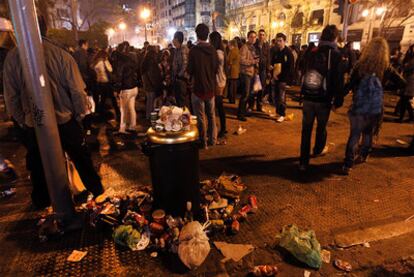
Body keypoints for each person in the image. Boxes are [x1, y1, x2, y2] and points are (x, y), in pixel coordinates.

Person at [3, 18, 104, 209]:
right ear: (45, 28)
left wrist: (23, 120)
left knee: (38, 165)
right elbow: (77, 91)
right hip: (65, 120)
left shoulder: (13, 58)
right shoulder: (61, 55)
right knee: (82, 160)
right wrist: (79, 115)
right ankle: (98, 193)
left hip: (34, 123)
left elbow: (11, 98)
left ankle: (42, 204)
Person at [342, 37, 406, 174]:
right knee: (368, 133)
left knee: (354, 134)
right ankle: (363, 155)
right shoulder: (386, 67)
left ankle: (348, 164)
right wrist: (383, 86)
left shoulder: (361, 64)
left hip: (359, 106)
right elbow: (402, 83)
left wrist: (339, 96)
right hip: (374, 108)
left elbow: (349, 84)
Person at [299, 25, 345, 171]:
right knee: (321, 127)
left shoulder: (311, 51)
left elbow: (302, 68)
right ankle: (318, 149)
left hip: (308, 95)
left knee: (306, 130)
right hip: (324, 99)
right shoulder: (336, 54)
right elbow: (339, 80)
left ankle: (303, 162)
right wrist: (338, 100)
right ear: (335, 37)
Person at [187, 23, 218, 148]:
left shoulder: (193, 51)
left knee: (200, 117)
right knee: (211, 115)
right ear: (207, 35)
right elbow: (216, 68)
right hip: (210, 88)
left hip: (198, 88)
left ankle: (203, 141)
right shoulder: (213, 50)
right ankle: (213, 140)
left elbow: (190, 70)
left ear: (196, 34)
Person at [113, 42, 139, 134]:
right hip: (134, 87)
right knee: (132, 108)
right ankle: (132, 126)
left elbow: (119, 77)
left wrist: (116, 89)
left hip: (126, 88)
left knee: (123, 109)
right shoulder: (132, 59)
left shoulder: (121, 62)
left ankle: (122, 128)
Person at [270, 33, 294, 123]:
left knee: (281, 97)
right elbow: (273, 63)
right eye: (277, 41)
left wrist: (289, 81)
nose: (278, 43)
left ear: (284, 41)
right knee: (276, 96)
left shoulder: (288, 53)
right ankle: (277, 112)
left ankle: (282, 114)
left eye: (280, 41)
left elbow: (290, 67)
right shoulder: (276, 52)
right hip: (276, 77)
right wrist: (271, 68)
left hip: (283, 79)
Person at [209, 31, 227, 139]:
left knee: (218, 106)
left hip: (218, 81)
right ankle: (221, 127)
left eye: (210, 40)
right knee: (218, 106)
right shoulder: (220, 51)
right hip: (220, 80)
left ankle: (222, 128)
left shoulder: (218, 53)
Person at [238, 30, 258, 121]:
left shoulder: (253, 48)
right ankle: (240, 114)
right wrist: (252, 62)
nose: (253, 39)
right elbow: (241, 60)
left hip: (252, 73)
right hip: (245, 73)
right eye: (251, 37)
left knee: (250, 94)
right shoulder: (244, 47)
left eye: (254, 37)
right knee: (245, 94)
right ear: (248, 37)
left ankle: (245, 111)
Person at [248, 29, 270, 113]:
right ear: (258, 36)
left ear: (265, 36)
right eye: (260, 35)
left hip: (263, 70)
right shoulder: (254, 45)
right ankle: (250, 106)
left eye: (263, 35)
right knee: (253, 89)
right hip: (255, 70)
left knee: (262, 89)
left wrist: (268, 69)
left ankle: (259, 106)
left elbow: (268, 57)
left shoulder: (266, 45)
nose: (261, 36)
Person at [92, 50, 117, 119]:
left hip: (99, 82)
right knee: (113, 99)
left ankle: (100, 113)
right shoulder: (104, 61)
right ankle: (118, 114)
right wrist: (108, 62)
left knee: (103, 99)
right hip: (106, 82)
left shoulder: (95, 62)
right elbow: (110, 70)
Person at [141, 45, 163, 119]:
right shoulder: (151, 61)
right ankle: (150, 117)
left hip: (147, 84)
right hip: (150, 85)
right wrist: (156, 85)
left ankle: (149, 116)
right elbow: (152, 75)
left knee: (149, 101)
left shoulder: (145, 60)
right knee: (151, 102)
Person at [172, 31, 190, 107]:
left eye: (174, 38)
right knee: (178, 99)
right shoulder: (176, 50)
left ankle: (185, 116)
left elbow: (185, 64)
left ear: (177, 39)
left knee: (183, 100)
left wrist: (179, 75)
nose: (172, 40)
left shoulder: (183, 49)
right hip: (177, 79)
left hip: (182, 79)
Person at [399, 45, 414, 122]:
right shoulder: (409, 59)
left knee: (405, 100)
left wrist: (405, 67)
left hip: (410, 82)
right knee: (405, 100)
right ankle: (411, 117)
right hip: (406, 81)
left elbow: (408, 69)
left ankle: (402, 118)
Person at [227, 39, 240, 104]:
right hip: (236, 70)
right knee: (234, 86)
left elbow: (229, 61)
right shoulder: (237, 50)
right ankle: (233, 99)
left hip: (232, 70)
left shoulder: (232, 51)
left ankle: (231, 99)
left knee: (232, 86)